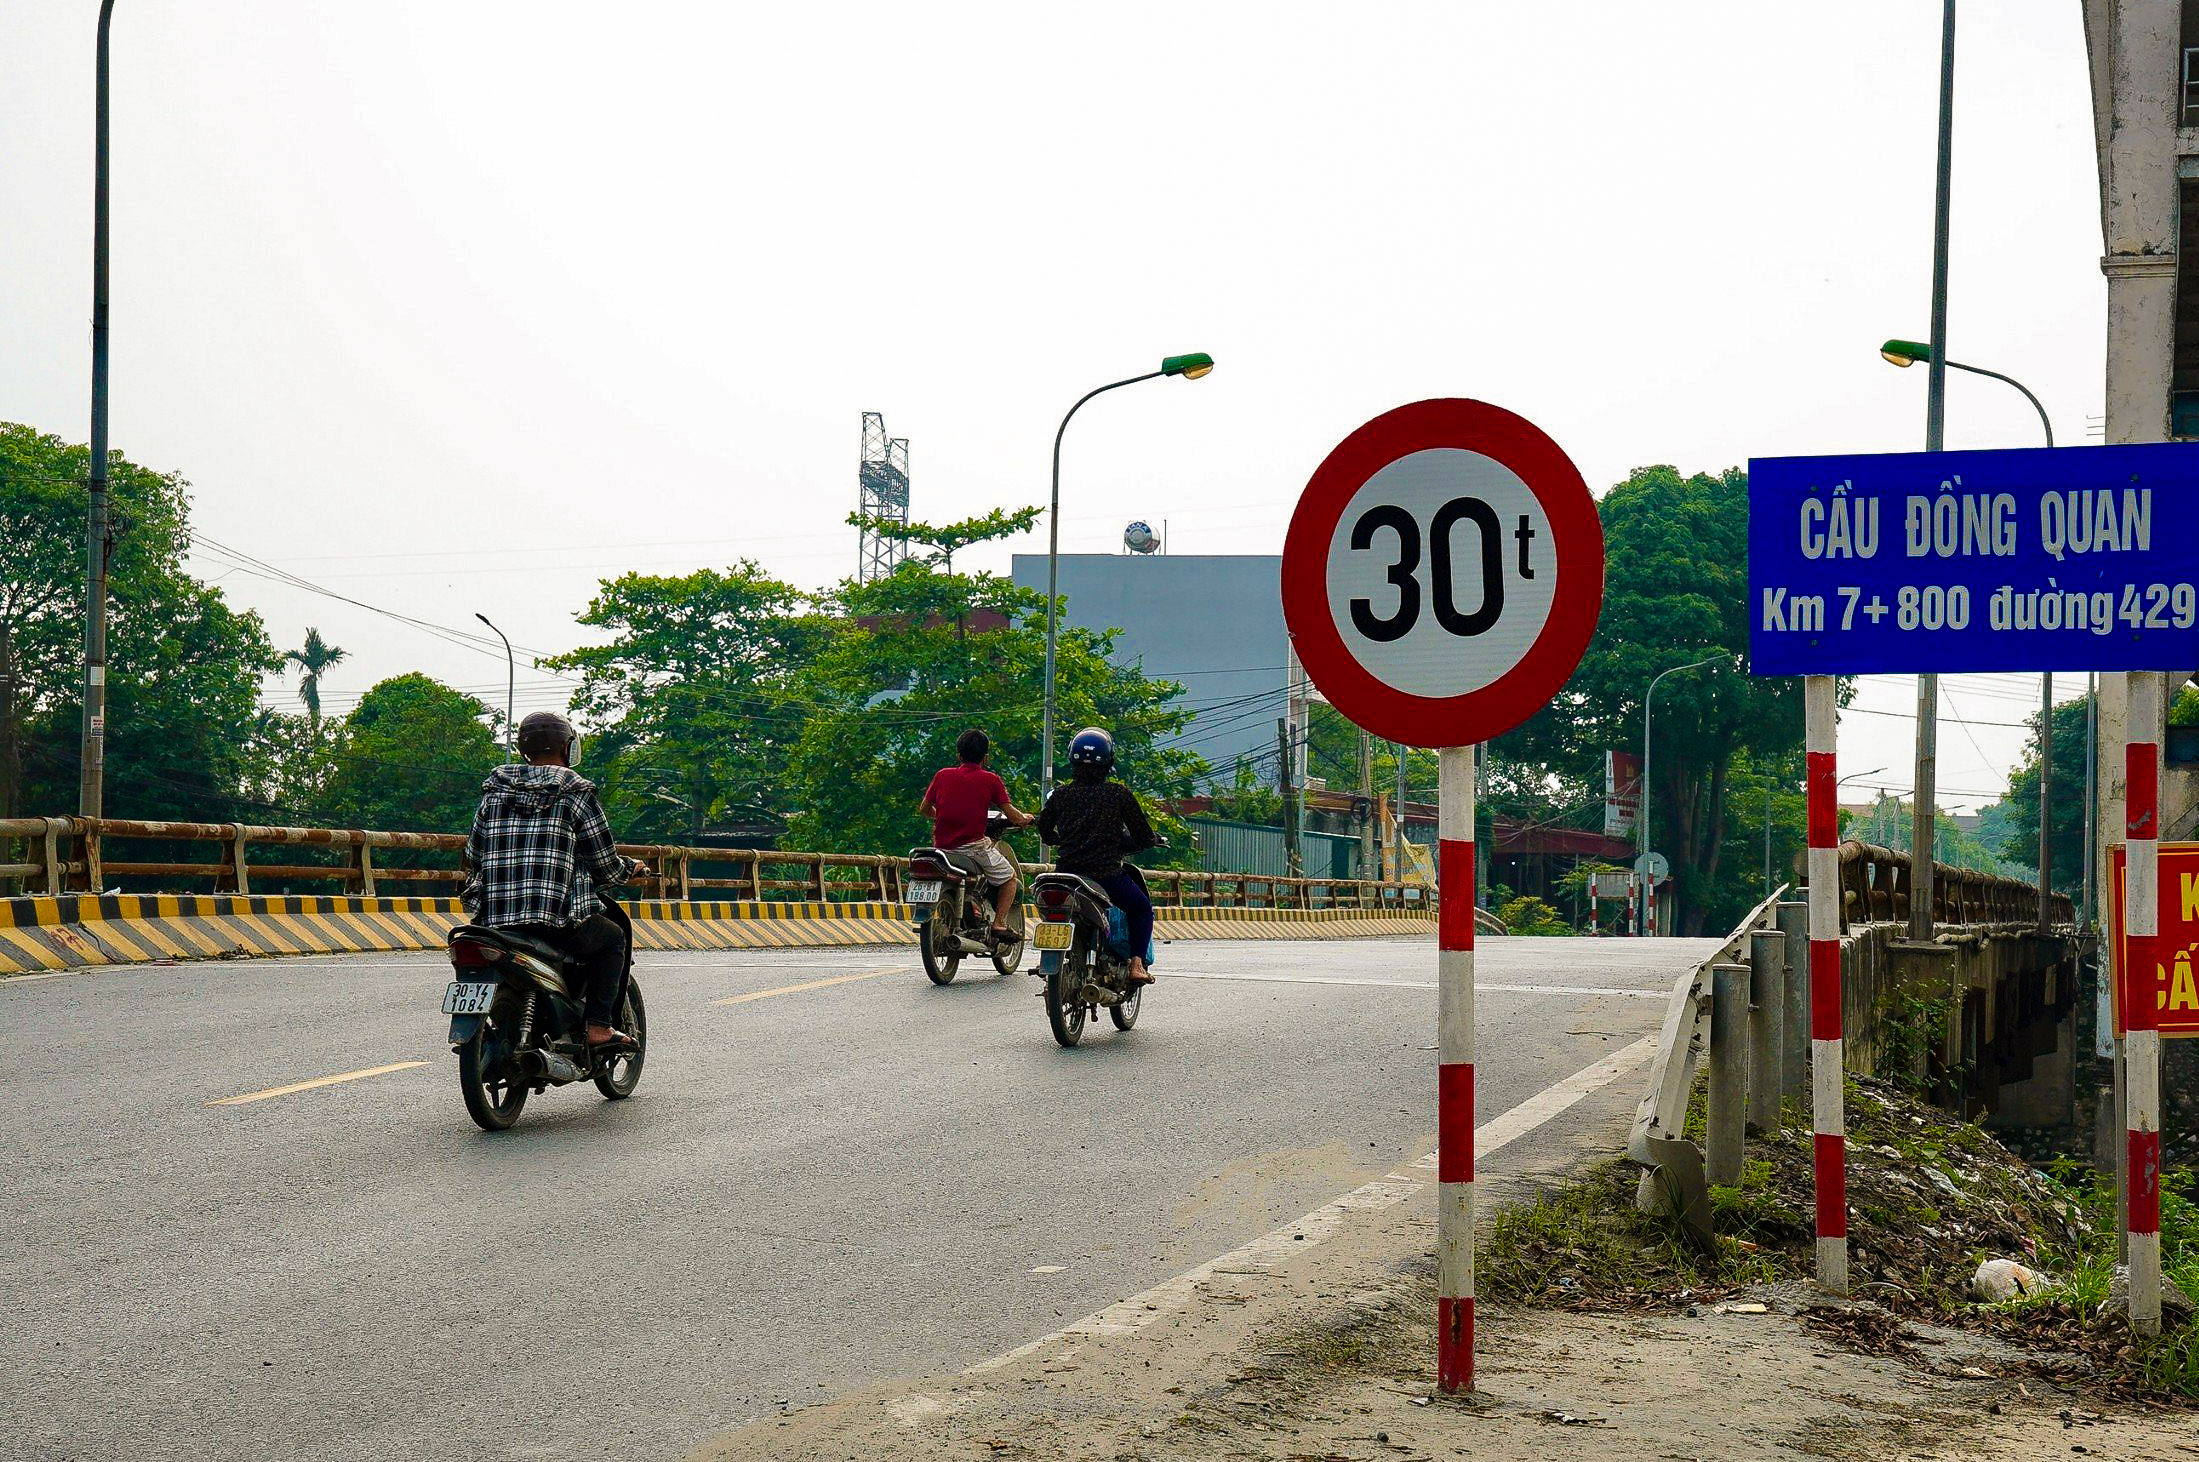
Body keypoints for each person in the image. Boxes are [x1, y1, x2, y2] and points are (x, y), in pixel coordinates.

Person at [461, 711, 635, 1049]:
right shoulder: (576, 794)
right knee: (613, 939)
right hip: (553, 920)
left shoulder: (493, 793)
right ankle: (598, 1027)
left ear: (524, 748)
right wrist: (630, 870)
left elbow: (472, 855)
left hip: (493, 921)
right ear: (567, 748)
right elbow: (604, 864)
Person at [1036, 726, 1158, 984]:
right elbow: (1143, 835)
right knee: (1142, 909)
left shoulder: (1060, 795)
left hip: (1067, 876)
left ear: (1071, 759)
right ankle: (1137, 965)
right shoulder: (1118, 794)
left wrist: (1058, 839)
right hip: (1107, 877)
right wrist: (1149, 841)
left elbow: (1044, 829)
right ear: (1109, 761)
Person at [918, 729, 1035, 940]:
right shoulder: (990, 780)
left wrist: (942, 817)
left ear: (958, 755)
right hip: (973, 848)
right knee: (1010, 879)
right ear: (985, 757)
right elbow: (1012, 815)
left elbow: (925, 808)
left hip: (942, 849)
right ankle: (999, 923)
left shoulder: (942, 775)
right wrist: (1025, 819)